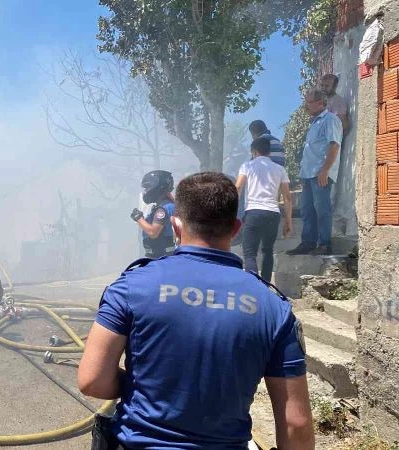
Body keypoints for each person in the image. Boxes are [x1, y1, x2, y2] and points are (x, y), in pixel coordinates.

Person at [78, 172, 314, 450]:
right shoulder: (273, 307)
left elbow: (92, 381)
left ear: (176, 226)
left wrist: (144, 386)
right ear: (236, 228)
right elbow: (296, 426)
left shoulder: (131, 286)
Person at [287, 88, 344, 256]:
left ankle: (324, 244)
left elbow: (334, 145)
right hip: (308, 174)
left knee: (322, 209)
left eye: (309, 102)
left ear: (321, 102)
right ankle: (308, 243)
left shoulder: (330, 119)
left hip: (320, 173)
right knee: (307, 210)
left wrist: (325, 170)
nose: (307, 106)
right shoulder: (314, 123)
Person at [236, 137, 293, 283]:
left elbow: (237, 188)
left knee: (249, 253)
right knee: (268, 251)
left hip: (253, 212)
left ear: (254, 152)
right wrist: (288, 221)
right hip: (273, 213)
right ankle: (266, 286)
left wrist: (232, 212)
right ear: (269, 152)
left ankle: (253, 285)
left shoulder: (247, 166)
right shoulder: (280, 169)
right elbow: (287, 197)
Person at [130, 170, 175, 258]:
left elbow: (153, 232)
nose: (146, 191)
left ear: (158, 186)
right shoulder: (169, 205)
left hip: (162, 259)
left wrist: (139, 218)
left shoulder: (162, 209)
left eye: (148, 187)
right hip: (167, 257)